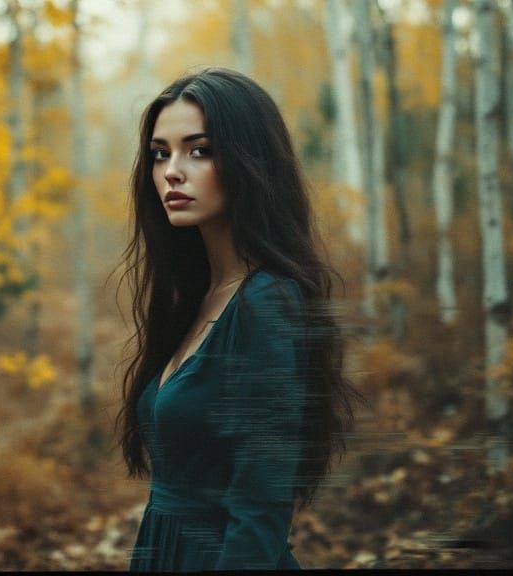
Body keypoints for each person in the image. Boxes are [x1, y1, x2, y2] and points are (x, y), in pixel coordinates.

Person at [112, 68, 364, 571]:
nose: (172, 172)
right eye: (161, 153)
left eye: (198, 150)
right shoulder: (200, 298)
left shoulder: (267, 302)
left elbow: (262, 505)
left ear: (252, 163)